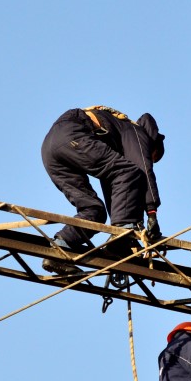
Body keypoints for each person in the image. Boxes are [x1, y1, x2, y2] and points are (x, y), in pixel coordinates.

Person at [40, 106, 164, 275]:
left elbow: (117, 189)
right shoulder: (136, 131)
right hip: (73, 133)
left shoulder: (116, 139)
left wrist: (122, 223)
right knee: (129, 171)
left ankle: (60, 249)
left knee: (94, 211)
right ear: (153, 144)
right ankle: (121, 235)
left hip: (51, 149)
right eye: (153, 157)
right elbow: (142, 169)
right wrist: (151, 213)